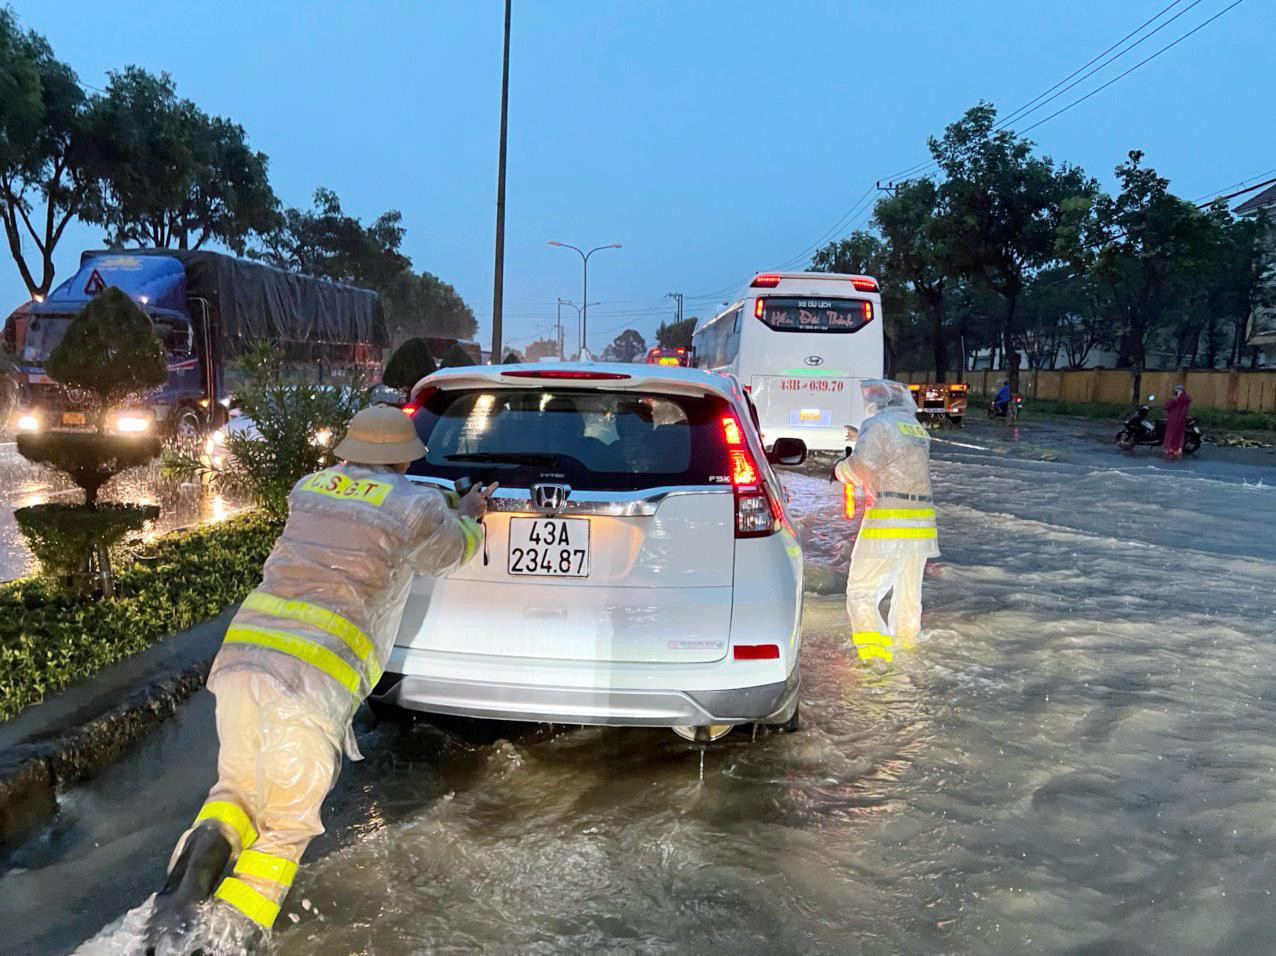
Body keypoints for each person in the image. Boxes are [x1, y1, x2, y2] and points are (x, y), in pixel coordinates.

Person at [147, 404, 494, 950]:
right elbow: (448, 551)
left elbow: (374, 514)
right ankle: (227, 939)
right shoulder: (416, 505)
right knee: (285, 829)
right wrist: (471, 514)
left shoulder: (310, 487)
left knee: (234, 791)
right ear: (406, 458)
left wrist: (444, 503)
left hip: (243, 661)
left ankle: (180, 896)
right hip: (310, 685)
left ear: (349, 453)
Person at [834, 380, 939, 663]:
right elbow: (896, 455)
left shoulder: (877, 423)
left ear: (877, 402)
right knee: (908, 594)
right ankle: (907, 652)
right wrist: (860, 437)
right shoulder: (915, 428)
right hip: (922, 524)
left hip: (888, 520)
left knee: (861, 591)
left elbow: (860, 466)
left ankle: (874, 658)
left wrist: (840, 470)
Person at [1162, 383, 1191, 459]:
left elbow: (1166, 406)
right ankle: (1178, 448)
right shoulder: (1186, 399)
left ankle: (1169, 448)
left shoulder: (1174, 399)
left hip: (1173, 419)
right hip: (1181, 420)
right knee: (1180, 434)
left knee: (1170, 434)